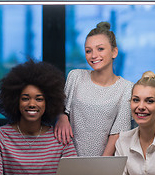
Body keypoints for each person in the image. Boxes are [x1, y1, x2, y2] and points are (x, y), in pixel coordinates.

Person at [0, 60, 77, 175]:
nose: (32, 104)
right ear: (16, 101)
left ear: (48, 103)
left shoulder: (61, 136)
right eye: (25, 98)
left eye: (39, 99)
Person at [54, 22, 133, 156]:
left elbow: (117, 134)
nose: (93, 55)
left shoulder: (126, 87)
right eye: (88, 50)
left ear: (114, 52)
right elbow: (61, 110)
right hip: (68, 158)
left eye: (100, 49)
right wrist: (61, 117)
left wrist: (99, 168)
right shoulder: (75, 76)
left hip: (103, 164)